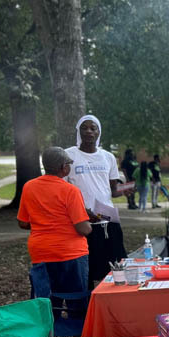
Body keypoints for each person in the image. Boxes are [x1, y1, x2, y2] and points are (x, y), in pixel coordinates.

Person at [17, 146, 92, 310]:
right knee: (77, 303)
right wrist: (89, 222)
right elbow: (83, 229)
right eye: (69, 164)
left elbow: (23, 222)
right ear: (64, 167)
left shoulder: (29, 187)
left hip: (41, 253)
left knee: (47, 304)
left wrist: (43, 222)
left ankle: (49, 335)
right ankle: (78, 334)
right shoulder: (70, 191)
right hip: (70, 254)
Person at [65, 115, 126, 288]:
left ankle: (113, 302)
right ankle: (87, 305)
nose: (89, 132)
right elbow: (62, 190)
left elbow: (114, 191)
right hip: (82, 220)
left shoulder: (108, 157)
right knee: (87, 268)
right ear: (78, 131)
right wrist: (81, 210)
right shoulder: (69, 155)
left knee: (115, 264)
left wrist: (126, 191)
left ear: (99, 132)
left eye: (93, 128)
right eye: (85, 128)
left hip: (107, 219)